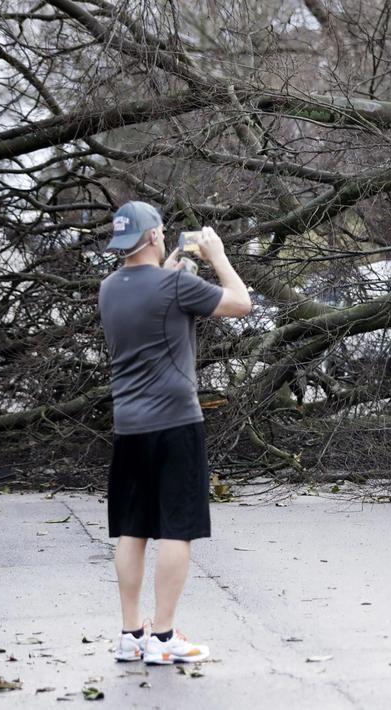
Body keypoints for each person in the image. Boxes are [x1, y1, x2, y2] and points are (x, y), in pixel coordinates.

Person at [97, 201, 251, 665]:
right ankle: (163, 639)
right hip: (175, 425)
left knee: (132, 530)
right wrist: (218, 255)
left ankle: (131, 634)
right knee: (175, 532)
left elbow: (151, 297)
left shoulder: (109, 289)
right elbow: (241, 303)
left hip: (129, 426)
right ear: (154, 236)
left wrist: (168, 269)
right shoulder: (175, 285)